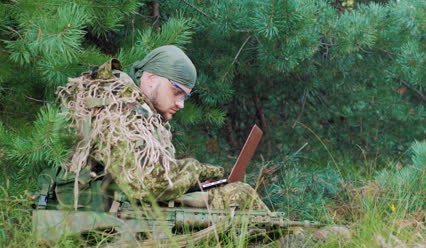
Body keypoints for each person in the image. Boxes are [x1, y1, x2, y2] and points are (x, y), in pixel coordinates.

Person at [56, 45, 268, 211]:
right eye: (177, 92)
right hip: (101, 216)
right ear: (151, 80)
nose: (181, 104)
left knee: (234, 193)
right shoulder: (117, 109)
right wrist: (198, 171)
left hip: (126, 208)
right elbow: (148, 182)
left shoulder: (140, 113)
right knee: (239, 195)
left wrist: (207, 178)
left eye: (186, 96)